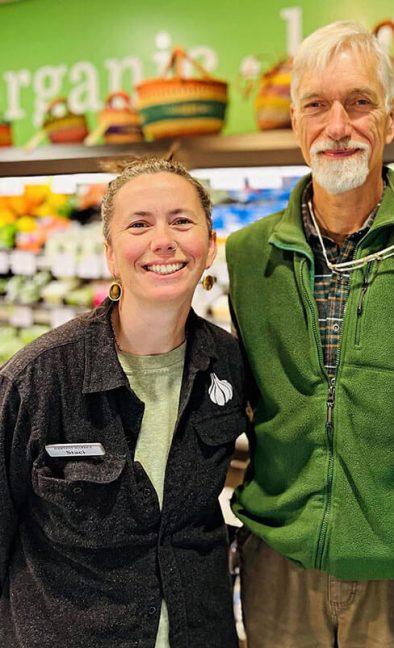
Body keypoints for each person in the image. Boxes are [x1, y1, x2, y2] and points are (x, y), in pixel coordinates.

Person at [226, 20, 394, 647]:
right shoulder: (246, 256)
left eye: (359, 102)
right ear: (295, 121)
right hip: (278, 559)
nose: (338, 126)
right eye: (316, 105)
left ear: (393, 117)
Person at [0, 158, 245, 648]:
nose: (163, 241)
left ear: (210, 245)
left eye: (181, 220)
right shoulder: (39, 379)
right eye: (139, 224)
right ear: (111, 254)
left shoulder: (228, 361)